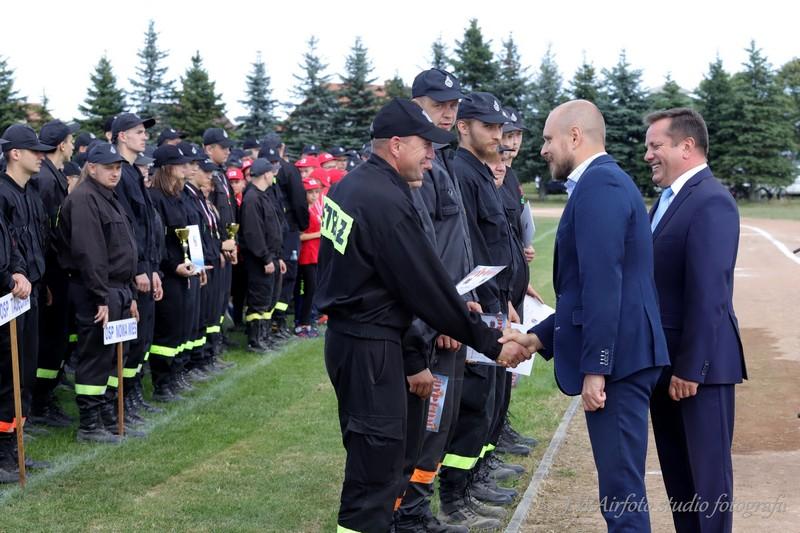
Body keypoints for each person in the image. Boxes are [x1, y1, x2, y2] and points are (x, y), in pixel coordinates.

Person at [316, 98, 531, 533]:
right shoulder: (384, 200)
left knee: (386, 462)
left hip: (365, 340)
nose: (433, 156)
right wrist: (491, 343)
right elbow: (424, 286)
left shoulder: (352, 186)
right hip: (368, 348)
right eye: (426, 146)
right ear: (396, 145)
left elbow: (388, 285)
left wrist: (414, 355)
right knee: (374, 474)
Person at [500, 99, 670, 532]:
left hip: (621, 362)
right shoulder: (599, 183)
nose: (542, 149)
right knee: (619, 489)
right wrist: (537, 338)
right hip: (625, 355)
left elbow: (603, 285)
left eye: (548, 139)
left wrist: (597, 368)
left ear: (574, 136)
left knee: (621, 494)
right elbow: (584, 292)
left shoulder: (601, 185)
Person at [395, 69, 500, 532]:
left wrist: (464, 302)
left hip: (453, 314)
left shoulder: (439, 161)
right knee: (427, 425)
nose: (448, 112)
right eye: (439, 103)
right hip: (434, 325)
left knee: (441, 422)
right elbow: (421, 254)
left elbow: (456, 246)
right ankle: (410, 513)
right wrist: (438, 319)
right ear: (416, 103)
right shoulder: (418, 169)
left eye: (453, 104)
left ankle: (420, 509)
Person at [644, 108, 746, 533]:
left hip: (699, 370)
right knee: (680, 481)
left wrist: (691, 368)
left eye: (655, 146)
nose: (648, 155)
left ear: (686, 147)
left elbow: (710, 294)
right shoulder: (666, 201)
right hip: (665, 366)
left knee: (707, 485)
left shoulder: (711, 200)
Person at [438, 92, 519, 517]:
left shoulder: (481, 172)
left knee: (487, 399)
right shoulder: (461, 172)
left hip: (494, 303)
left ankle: (472, 480)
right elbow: (466, 249)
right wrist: (488, 305)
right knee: (472, 403)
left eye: (499, 127)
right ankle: (454, 497)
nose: (497, 135)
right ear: (464, 127)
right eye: (488, 126)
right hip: (478, 306)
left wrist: (506, 300)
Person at [55, 142, 139, 443]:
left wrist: (130, 294)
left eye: (117, 168)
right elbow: (89, 253)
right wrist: (101, 297)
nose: (115, 173)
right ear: (91, 168)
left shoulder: (107, 196)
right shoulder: (84, 199)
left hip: (118, 289)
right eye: (108, 168)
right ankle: (90, 425)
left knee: (115, 355)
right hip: (97, 291)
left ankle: (107, 416)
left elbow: (122, 248)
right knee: (96, 356)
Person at [0, 125, 51, 451]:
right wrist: (13, 276)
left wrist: (39, 279)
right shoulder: (2, 193)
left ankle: (15, 437)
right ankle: (5, 450)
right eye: (35, 151)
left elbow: (33, 243)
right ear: (15, 153)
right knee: (8, 372)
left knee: (25, 370)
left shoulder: (30, 192)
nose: (41, 156)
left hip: (30, 290)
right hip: (9, 294)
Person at [29, 119, 79, 428]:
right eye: (70, 140)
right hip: (50, 274)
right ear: (61, 144)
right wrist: (46, 279)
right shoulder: (46, 181)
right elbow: (44, 234)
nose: (73, 145)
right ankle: (39, 403)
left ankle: (44, 398)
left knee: (56, 339)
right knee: (49, 340)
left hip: (58, 272)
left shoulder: (53, 176)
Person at [112, 113, 163, 415]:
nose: (145, 137)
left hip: (146, 267)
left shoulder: (132, 172)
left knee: (142, 337)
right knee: (130, 339)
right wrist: (141, 268)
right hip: (132, 272)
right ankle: (123, 400)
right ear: (122, 136)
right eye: (139, 132)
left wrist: (153, 268)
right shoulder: (120, 174)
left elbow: (147, 227)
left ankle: (132, 394)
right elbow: (128, 231)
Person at [148, 145, 196, 401]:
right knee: (166, 329)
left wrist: (194, 262)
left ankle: (175, 374)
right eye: (179, 163)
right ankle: (162, 383)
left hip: (183, 270)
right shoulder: (155, 197)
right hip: (168, 273)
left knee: (180, 326)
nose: (184, 167)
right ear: (167, 168)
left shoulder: (177, 195)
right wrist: (172, 265)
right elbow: (158, 240)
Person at [0, 136, 32, 482]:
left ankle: (12, 448)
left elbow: (12, 241)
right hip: (4, 292)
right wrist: (7, 277)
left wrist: (18, 271)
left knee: (13, 376)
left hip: (11, 295)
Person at [238, 159, 284, 352]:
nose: (274, 175)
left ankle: (264, 336)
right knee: (259, 299)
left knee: (268, 299)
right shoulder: (252, 199)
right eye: (272, 172)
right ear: (265, 174)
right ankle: (255, 340)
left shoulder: (262, 195)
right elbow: (253, 233)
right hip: (260, 260)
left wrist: (277, 257)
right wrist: (265, 258)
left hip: (271, 257)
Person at [295, 177, 322, 338]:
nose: (314, 195)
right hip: (306, 255)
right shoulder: (304, 211)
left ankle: (308, 321)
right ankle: (302, 324)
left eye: (316, 192)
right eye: (310, 192)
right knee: (308, 290)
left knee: (313, 290)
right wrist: (319, 233)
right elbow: (300, 236)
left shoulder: (316, 208)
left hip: (315, 253)